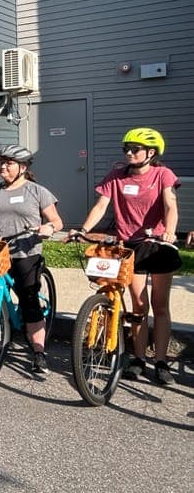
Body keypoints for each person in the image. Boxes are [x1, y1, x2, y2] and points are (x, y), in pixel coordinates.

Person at [70, 128, 180, 385]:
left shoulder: (162, 175)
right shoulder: (116, 176)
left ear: (151, 153)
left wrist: (171, 231)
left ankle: (161, 362)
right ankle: (139, 359)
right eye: (126, 149)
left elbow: (170, 205)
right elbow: (100, 206)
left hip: (158, 245)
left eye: (135, 149)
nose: (129, 153)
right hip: (130, 247)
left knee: (160, 305)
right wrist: (84, 230)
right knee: (138, 307)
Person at [0, 145, 63, 375]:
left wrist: (48, 228)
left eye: (8, 163)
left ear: (23, 167)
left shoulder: (36, 191)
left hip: (25, 253)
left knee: (29, 302)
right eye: (1, 163)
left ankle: (38, 351)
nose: (3, 167)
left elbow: (57, 221)